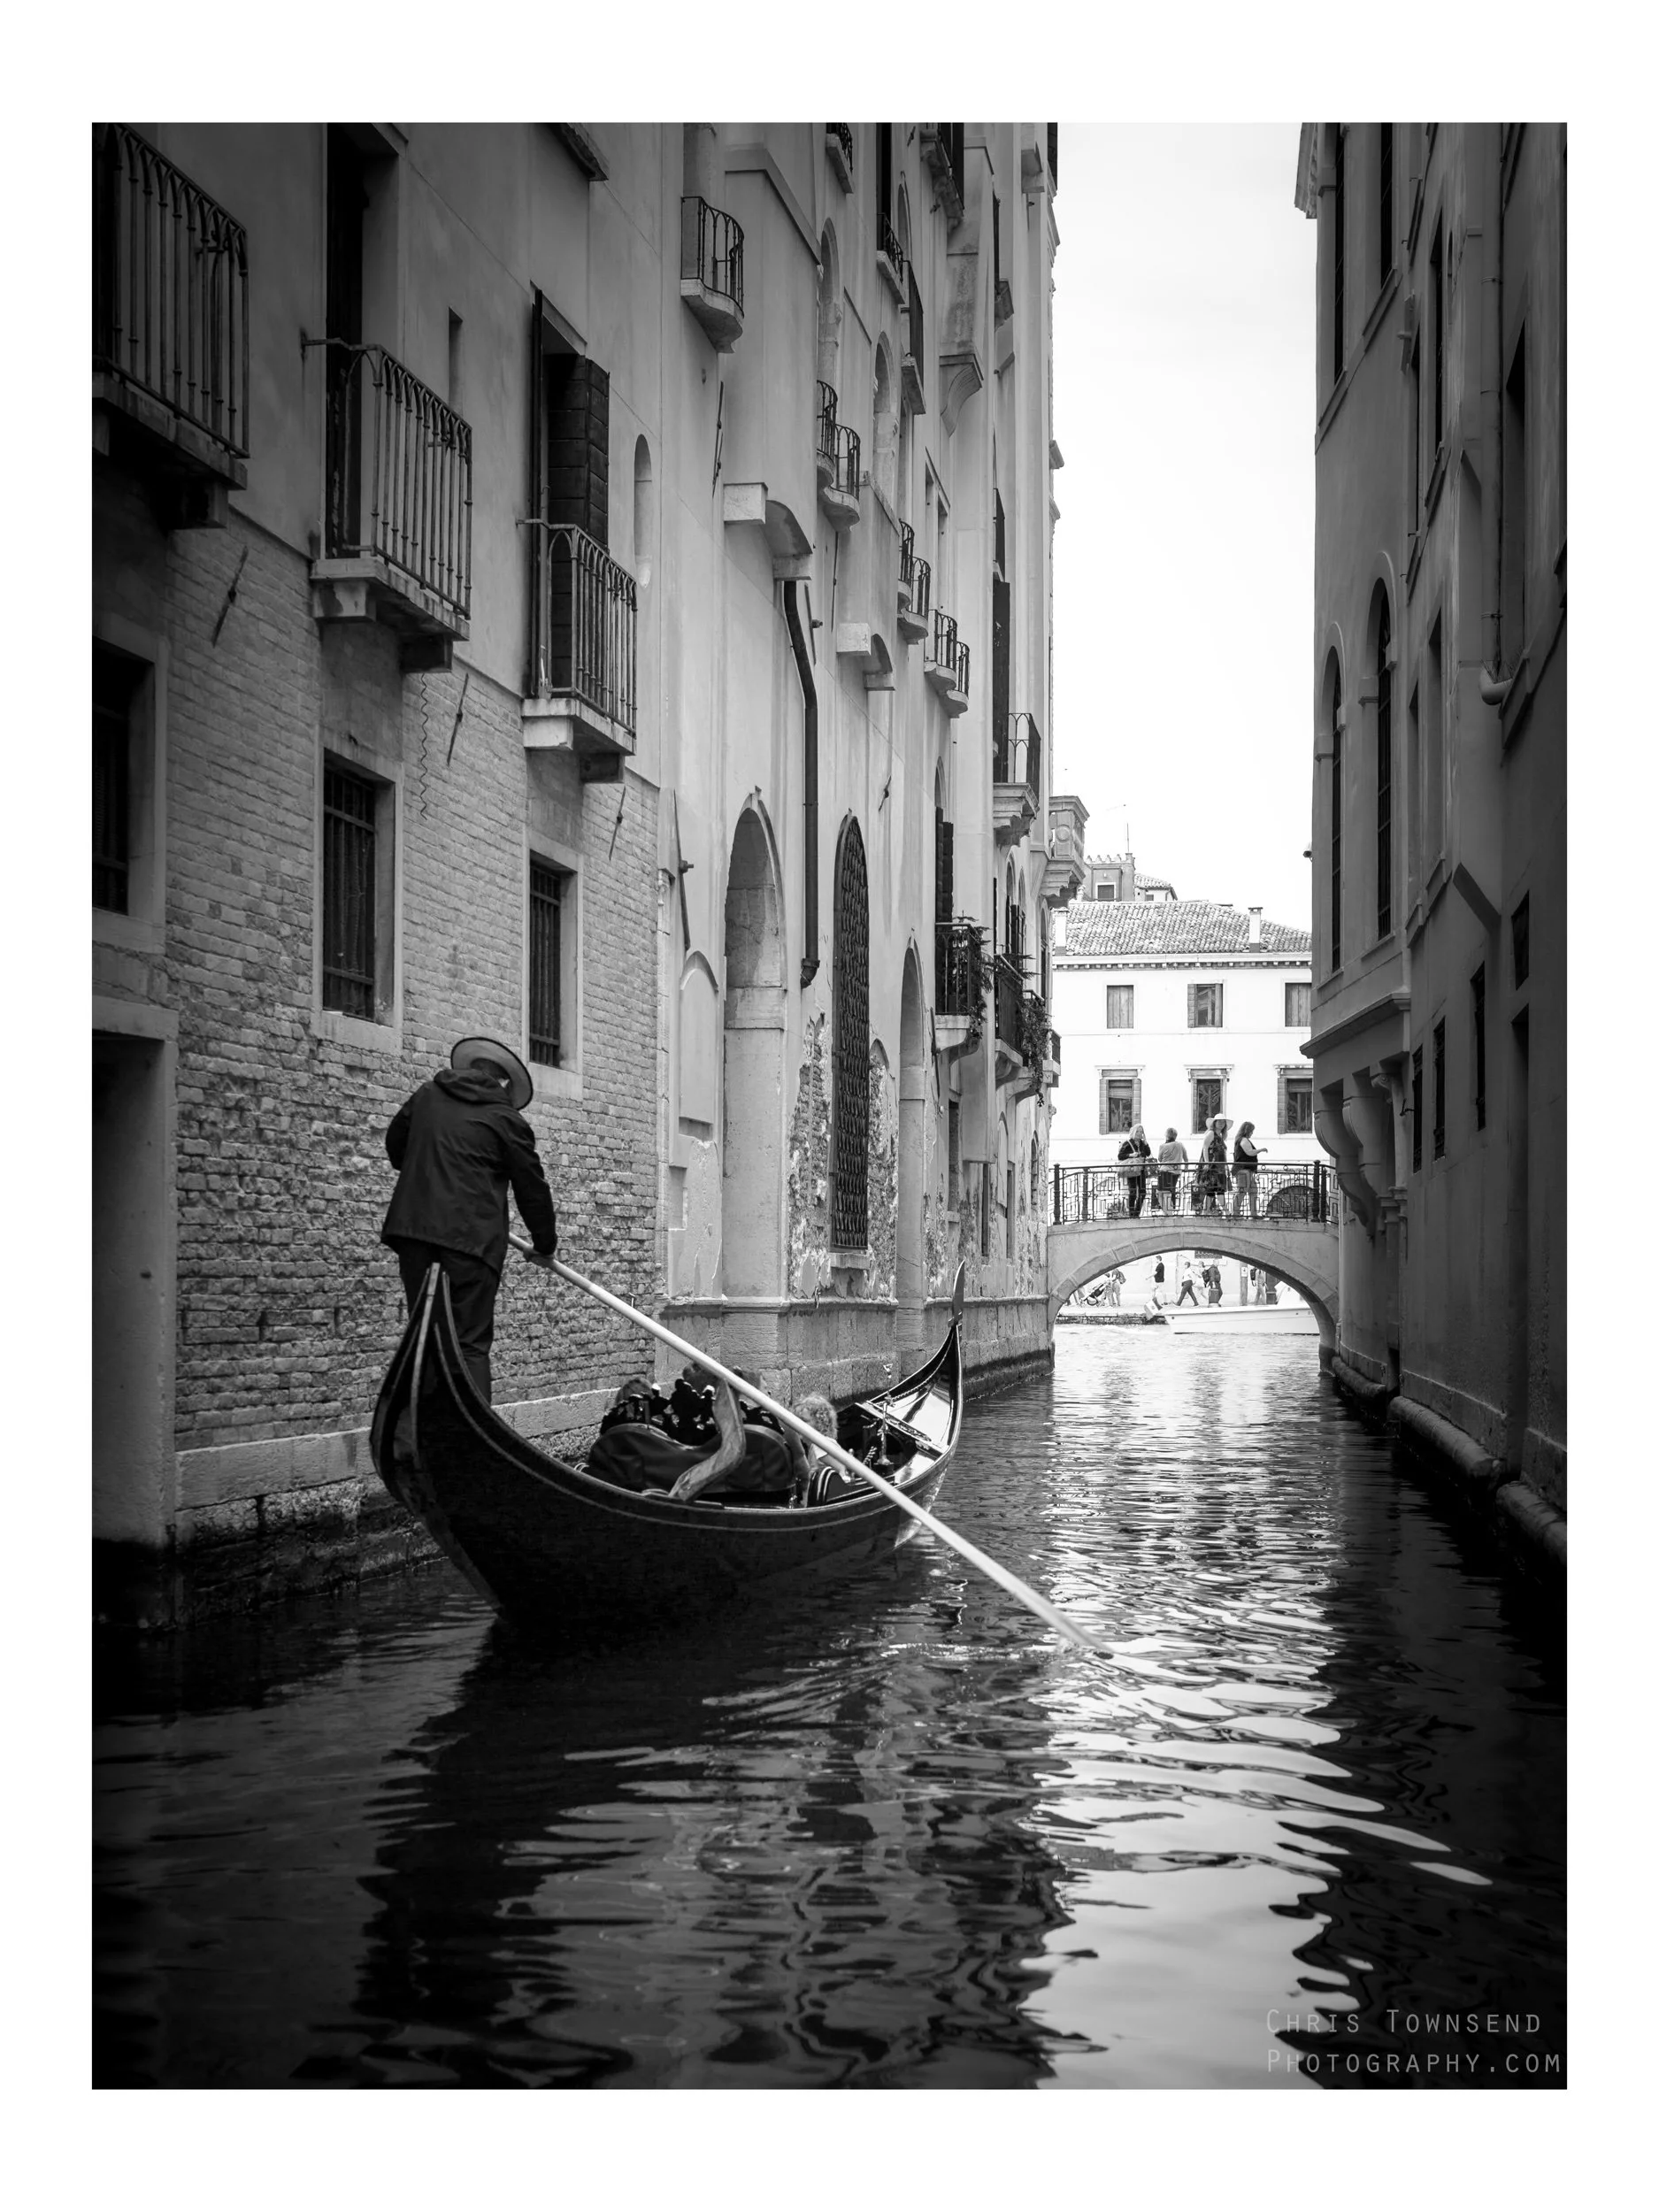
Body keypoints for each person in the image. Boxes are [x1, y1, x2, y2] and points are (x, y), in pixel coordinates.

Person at [381, 1035, 557, 1404]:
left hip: (414, 1233)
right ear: (505, 1084)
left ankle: (428, 1429)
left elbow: (395, 1145)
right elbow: (531, 1190)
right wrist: (544, 1245)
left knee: (425, 1332)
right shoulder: (507, 1120)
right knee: (470, 1343)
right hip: (472, 1244)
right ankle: (469, 1438)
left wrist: (423, 1171)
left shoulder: (427, 1095)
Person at [1196, 1115, 1230, 1215]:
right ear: (1214, 1123)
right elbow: (1205, 1148)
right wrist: (1207, 1163)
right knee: (1218, 1190)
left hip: (1219, 1167)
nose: (1221, 1123)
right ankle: (1227, 1213)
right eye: (1219, 1121)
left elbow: (1222, 1152)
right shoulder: (1211, 1133)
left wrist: (1226, 1166)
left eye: (1223, 1122)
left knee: (1211, 1191)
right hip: (1213, 1167)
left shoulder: (1220, 1136)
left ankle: (1204, 1213)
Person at [1231, 1119, 1264, 1219]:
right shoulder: (1243, 1140)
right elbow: (1250, 1152)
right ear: (1247, 1130)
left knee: (1253, 1191)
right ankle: (1235, 1213)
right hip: (1243, 1170)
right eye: (1251, 1131)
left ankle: (1253, 1213)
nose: (1252, 1133)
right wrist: (1261, 1150)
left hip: (1247, 1170)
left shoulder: (1241, 1139)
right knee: (1242, 1191)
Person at [1155, 1127, 1187, 1213]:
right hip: (1176, 1172)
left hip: (1165, 1171)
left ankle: (1168, 1214)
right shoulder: (1180, 1144)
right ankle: (1169, 1213)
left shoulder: (1163, 1146)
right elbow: (1185, 1157)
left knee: (1161, 1193)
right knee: (1169, 1192)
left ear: (1166, 1135)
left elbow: (1160, 1159)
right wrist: (1186, 1167)